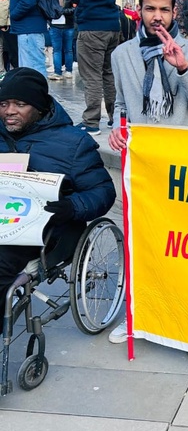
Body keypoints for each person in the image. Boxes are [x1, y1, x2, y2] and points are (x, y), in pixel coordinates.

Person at [107, 0, 188, 343]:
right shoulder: (122, 55)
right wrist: (116, 127)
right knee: (142, 244)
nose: (157, 16)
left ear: (175, 12)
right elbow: (121, 104)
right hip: (142, 166)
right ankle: (138, 314)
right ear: (139, 10)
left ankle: (186, 316)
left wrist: (183, 69)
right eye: (150, 8)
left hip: (183, 168)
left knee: (184, 248)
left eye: (164, 10)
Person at [0, 68, 115, 314]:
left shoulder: (73, 143)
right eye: (3, 104)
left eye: (20, 104)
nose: (9, 111)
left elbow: (103, 190)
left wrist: (72, 206)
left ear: (39, 107)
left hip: (43, 230)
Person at [63, 0, 120, 136]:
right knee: (109, 74)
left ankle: (91, 121)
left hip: (92, 28)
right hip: (112, 27)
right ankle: (115, 118)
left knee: (92, 76)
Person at [48, 0, 75, 80]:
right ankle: (58, 72)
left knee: (68, 50)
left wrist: (63, 11)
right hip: (55, 26)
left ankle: (68, 70)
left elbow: (74, 8)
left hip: (68, 25)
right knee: (57, 50)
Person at [0, 0, 18, 75]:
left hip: (4, 16)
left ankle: (2, 71)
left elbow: (3, 0)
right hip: (12, 16)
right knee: (13, 48)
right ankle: (14, 72)